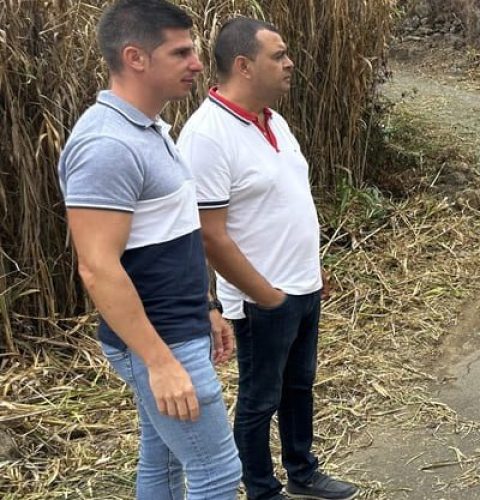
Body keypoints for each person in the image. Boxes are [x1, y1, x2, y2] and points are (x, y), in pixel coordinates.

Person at [56, 1, 240, 498]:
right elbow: (96, 267)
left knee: (162, 461)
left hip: (178, 327)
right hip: (160, 341)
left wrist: (206, 305)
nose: (198, 65)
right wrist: (160, 362)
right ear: (135, 57)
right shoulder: (107, 145)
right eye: (181, 53)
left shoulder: (149, 130)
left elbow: (170, 236)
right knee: (218, 474)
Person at [178, 17, 358, 500]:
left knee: (300, 385)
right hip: (263, 298)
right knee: (260, 399)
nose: (289, 62)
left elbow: (286, 199)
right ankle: (261, 488)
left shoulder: (273, 120)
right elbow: (210, 237)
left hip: (302, 285)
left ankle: (302, 470)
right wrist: (267, 296)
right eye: (278, 55)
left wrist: (311, 267)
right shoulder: (208, 136)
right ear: (243, 65)